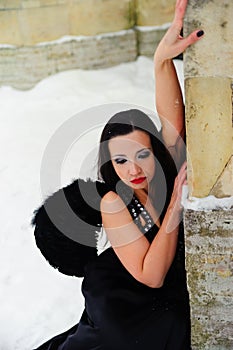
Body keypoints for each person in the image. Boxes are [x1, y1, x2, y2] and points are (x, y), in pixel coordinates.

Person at [32, 0, 204, 349]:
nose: (134, 170)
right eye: (121, 161)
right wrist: (174, 206)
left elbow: (171, 115)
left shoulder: (166, 167)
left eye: (142, 154)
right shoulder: (114, 202)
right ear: (110, 165)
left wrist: (161, 60)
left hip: (163, 294)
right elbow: (151, 276)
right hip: (124, 300)